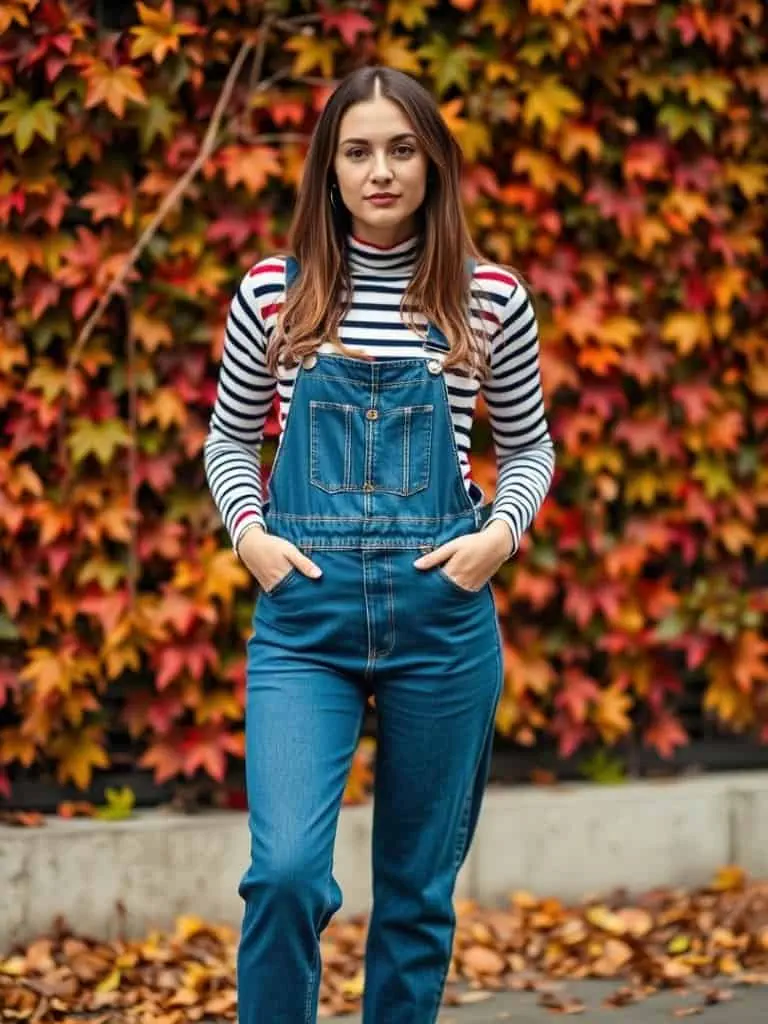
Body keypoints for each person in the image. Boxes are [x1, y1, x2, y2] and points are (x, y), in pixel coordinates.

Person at [203, 65, 555, 1024]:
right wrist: (251, 538)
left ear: (433, 163)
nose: (381, 171)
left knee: (415, 897)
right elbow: (230, 439)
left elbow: (529, 448)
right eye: (358, 151)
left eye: (402, 149)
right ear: (329, 169)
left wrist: (496, 538)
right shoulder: (275, 290)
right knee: (281, 874)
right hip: (304, 617)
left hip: (440, 620)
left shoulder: (489, 299)